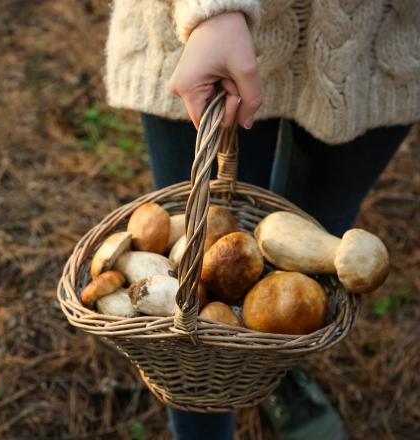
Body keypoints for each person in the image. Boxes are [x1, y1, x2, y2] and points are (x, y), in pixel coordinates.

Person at [104, 1, 418, 439]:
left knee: (320, 256)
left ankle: (275, 369)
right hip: (201, 37)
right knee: (190, 326)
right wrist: (212, 9)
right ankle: (204, 420)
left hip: (373, 40)